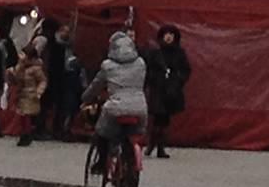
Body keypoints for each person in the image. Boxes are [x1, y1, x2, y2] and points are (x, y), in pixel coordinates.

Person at [80, 30, 149, 155]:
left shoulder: (107, 65)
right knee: (135, 135)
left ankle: (101, 162)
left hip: (114, 108)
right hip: (140, 108)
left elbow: (96, 86)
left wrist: (85, 98)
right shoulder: (141, 63)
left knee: (102, 134)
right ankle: (131, 162)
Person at [143, 25, 191, 159]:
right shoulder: (155, 52)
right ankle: (157, 146)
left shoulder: (180, 53)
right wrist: (153, 80)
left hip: (172, 90)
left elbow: (186, 70)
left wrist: (178, 81)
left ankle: (156, 145)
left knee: (165, 119)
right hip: (158, 89)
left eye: (171, 34)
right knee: (159, 116)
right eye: (166, 34)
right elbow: (148, 69)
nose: (169, 37)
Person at [9, 39, 47, 147]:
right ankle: (24, 133)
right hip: (21, 93)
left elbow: (42, 81)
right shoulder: (21, 67)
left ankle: (27, 134)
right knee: (21, 115)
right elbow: (16, 77)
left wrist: (39, 92)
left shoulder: (36, 69)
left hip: (31, 94)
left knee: (26, 115)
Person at [52, 38, 86, 139]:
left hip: (66, 88)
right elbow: (82, 77)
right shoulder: (75, 62)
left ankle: (62, 129)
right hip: (72, 88)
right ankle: (65, 130)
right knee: (69, 110)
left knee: (65, 109)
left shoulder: (63, 61)